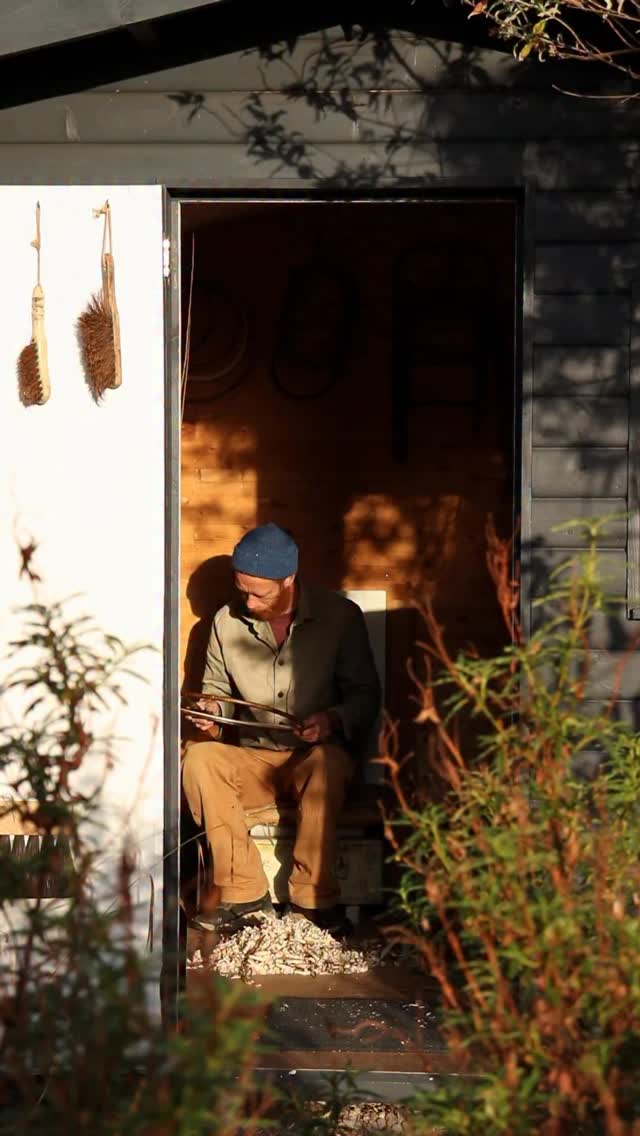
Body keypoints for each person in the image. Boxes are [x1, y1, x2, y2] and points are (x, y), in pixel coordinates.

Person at [182, 522, 381, 936]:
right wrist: (210, 711)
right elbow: (216, 691)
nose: (249, 602)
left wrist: (330, 720)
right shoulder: (225, 621)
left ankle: (312, 901)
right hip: (254, 758)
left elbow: (365, 697)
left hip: (312, 758)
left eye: (260, 592)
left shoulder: (340, 617)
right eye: (243, 591)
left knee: (326, 764)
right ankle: (243, 893)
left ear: (289, 579)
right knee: (199, 758)